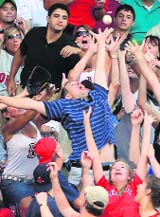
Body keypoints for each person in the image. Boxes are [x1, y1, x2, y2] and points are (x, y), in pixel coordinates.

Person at [0, 28, 116, 185]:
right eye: (73, 84)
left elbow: (101, 69)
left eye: (79, 83)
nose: (79, 83)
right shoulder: (64, 106)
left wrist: (101, 43)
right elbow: (29, 103)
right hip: (82, 171)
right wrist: (2, 98)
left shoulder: (98, 95)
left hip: (110, 171)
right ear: (67, 95)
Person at [83, 105, 154, 217]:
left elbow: (143, 156)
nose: (117, 168)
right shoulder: (104, 187)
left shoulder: (136, 186)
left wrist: (145, 126)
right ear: (110, 177)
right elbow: (95, 156)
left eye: (122, 167)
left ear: (129, 176)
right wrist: (86, 123)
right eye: (114, 167)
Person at [7, 3, 82, 96]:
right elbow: (20, 53)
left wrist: (79, 51)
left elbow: (89, 64)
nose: (60, 20)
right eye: (56, 16)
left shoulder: (69, 44)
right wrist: (11, 78)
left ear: (67, 22)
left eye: (64, 18)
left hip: (50, 98)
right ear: (48, 19)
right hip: (24, 90)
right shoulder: (34, 33)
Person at [0, 88, 54, 217]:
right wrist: (42, 98)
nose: (20, 106)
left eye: (21, 103)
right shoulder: (8, 128)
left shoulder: (34, 123)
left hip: (37, 181)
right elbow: (26, 116)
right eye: (14, 104)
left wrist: (55, 95)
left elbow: (49, 112)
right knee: (33, 210)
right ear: (6, 114)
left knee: (52, 207)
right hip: (14, 182)